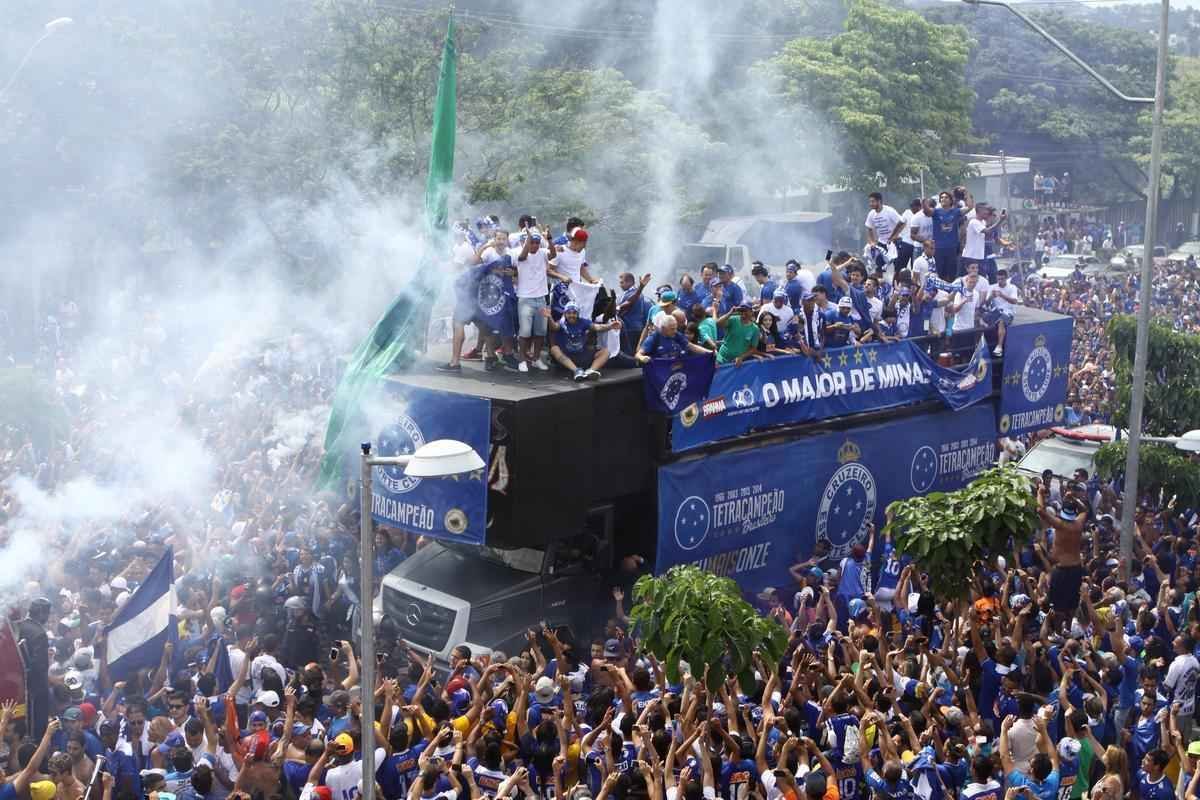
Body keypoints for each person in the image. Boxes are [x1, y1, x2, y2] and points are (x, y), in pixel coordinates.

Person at [542, 303, 621, 381]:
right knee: (554, 349)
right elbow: (554, 327)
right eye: (569, 313)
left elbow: (597, 327)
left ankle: (590, 371)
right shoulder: (562, 323)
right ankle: (576, 371)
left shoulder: (583, 322)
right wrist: (549, 317)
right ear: (565, 314)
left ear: (578, 314)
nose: (571, 315)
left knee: (606, 352)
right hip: (567, 358)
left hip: (582, 355)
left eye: (574, 313)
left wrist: (610, 326)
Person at [984, 269, 1020, 356]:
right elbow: (986, 303)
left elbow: (1014, 301)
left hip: (1008, 312)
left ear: (1006, 278)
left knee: (1001, 322)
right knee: (982, 318)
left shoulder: (1012, 287)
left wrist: (1001, 295)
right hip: (995, 311)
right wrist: (991, 297)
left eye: (1002, 279)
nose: (1000, 281)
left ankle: (999, 346)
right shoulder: (992, 287)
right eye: (998, 279)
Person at [930, 191, 965, 281]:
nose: (943, 199)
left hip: (952, 248)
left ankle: (951, 293)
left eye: (946, 197)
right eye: (941, 197)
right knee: (940, 274)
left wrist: (966, 193)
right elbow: (927, 211)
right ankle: (941, 293)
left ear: (951, 200)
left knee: (952, 274)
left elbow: (970, 207)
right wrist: (924, 202)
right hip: (939, 248)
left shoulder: (956, 212)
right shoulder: (936, 212)